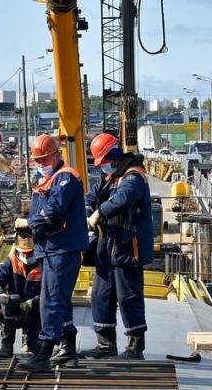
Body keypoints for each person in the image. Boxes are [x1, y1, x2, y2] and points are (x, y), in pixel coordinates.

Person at [80, 132, 154, 359]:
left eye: (104, 162)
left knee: (128, 296)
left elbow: (124, 198)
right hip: (107, 246)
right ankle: (105, 344)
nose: (103, 168)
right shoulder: (109, 177)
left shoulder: (133, 177)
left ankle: (134, 347)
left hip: (127, 248)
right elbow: (90, 197)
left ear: (113, 158)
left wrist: (99, 213)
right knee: (101, 295)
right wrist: (88, 211)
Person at [19, 133, 88, 371]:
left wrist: (31, 223)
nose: (40, 164)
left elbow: (55, 209)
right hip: (50, 248)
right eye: (37, 161)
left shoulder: (65, 177)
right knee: (60, 300)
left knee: (52, 300)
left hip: (62, 248)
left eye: (44, 160)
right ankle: (68, 347)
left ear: (57, 155)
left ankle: (45, 352)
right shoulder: (48, 180)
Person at [0, 219, 43, 358]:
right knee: (12, 300)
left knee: (36, 347)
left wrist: (34, 302)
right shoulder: (12, 261)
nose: (26, 257)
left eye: (30, 253)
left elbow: (50, 291)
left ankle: (30, 340)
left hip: (35, 309)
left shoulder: (43, 263)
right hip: (14, 306)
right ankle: (6, 344)